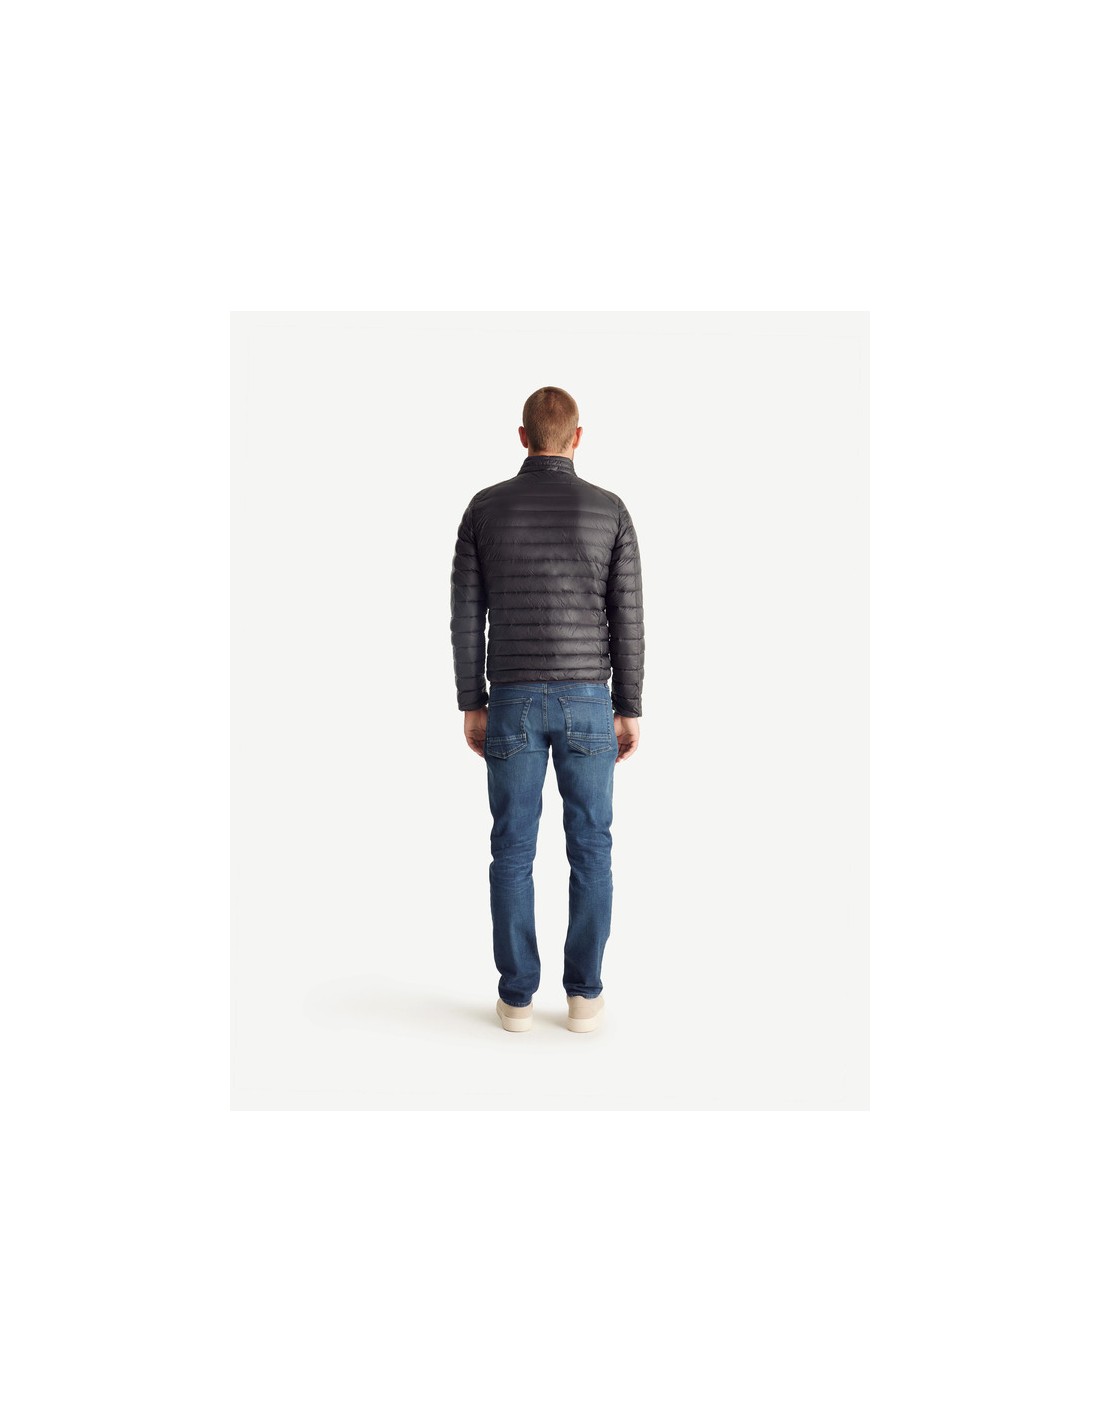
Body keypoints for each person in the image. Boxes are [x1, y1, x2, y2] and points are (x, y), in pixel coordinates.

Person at [449, 386, 644, 1034]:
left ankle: (516, 1000)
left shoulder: (484, 509)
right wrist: (628, 705)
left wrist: (472, 702)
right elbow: (628, 615)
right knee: (592, 849)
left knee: (512, 850)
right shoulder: (610, 510)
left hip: (512, 700)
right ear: (577, 438)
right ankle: (584, 998)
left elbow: (466, 614)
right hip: (590, 699)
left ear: (523, 435)